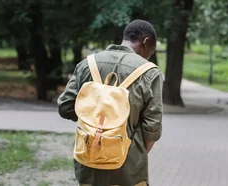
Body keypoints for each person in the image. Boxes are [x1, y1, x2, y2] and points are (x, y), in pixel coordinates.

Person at [57, 19, 163, 186]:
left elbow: (65, 107)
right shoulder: (149, 72)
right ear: (146, 42)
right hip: (129, 168)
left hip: (88, 159)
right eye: (151, 51)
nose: (149, 56)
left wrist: (92, 124)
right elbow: (152, 127)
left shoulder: (88, 64)